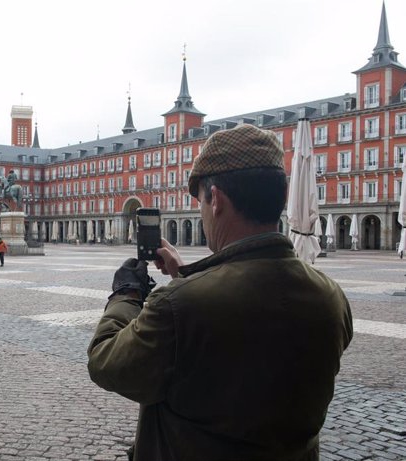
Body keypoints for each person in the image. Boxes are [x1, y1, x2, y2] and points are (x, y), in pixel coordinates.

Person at [87, 124, 353, 461]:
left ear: (217, 201)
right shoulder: (330, 297)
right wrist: (186, 275)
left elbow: (106, 363)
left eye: (200, 201)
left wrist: (126, 294)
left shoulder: (180, 306)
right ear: (283, 196)